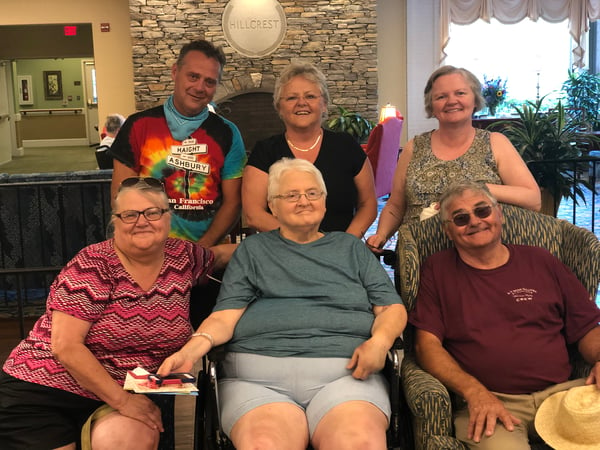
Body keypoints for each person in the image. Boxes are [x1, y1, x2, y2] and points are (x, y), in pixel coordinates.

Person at [159, 158, 407, 449]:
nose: (304, 201)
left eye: (312, 193)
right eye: (291, 195)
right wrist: (190, 351)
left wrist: (379, 342)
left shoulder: (350, 248)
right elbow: (225, 317)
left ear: (324, 201)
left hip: (348, 378)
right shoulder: (253, 251)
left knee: (358, 443)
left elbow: (391, 307)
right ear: (272, 206)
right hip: (257, 382)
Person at [0, 177, 232, 450]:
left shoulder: (182, 257)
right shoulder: (93, 265)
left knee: (130, 439)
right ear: (115, 221)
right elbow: (66, 347)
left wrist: (278, 243)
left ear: (169, 218)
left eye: (152, 212)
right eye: (130, 214)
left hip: (121, 391)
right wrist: (124, 402)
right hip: (45, 390)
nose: (141, 221)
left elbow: (220, 255)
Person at [410, 181, 600, 449]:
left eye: (482, 211)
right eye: (461, 218)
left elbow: (586, 327)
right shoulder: (437, 270)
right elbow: (425, 346)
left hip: (563, 395)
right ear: (448, 231)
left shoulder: (541, 260)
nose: (475, 222)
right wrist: (474, 391)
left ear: (499, 213)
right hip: (491, 403)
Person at [366, 65, 541, 252]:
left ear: (475, 99)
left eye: (460, 93)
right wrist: (381, 235)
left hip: (482, 256)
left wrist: (478, 189)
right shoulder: (413, 147)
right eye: (441, 97)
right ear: (431, 106)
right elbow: (395, 206)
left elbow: (533, 199)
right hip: (418, 258)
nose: (451, 101)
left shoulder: (496, 143)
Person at [109, 39, 247, 248]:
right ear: (175, 72)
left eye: (209, 82)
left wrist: (200, 251)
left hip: (206, 254)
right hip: (146, 250)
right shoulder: (138, 126)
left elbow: (233, 202)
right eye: (193, 76)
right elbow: (120, 197)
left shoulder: (228, 133)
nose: (200, 87)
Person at [242, 61, 377, 238]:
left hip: (341, 251)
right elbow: (254, 215)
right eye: (291, 98)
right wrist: (305, 244)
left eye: (310, 96)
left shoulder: (346, 146)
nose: (301, 103)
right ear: (279, 108)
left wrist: (346, 243)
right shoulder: (265, 152)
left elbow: (368, 204)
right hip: (284, 250)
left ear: (324, 105)